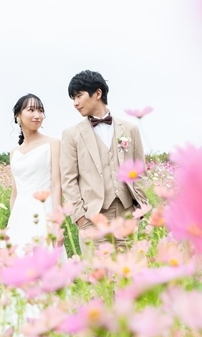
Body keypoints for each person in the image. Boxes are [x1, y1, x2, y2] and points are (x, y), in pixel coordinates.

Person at [60, 70, 148, 254]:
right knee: (96, 271)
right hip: (92, 218)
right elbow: (68, 180)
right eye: (73, 98)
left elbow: (139, 171)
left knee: (129, 269)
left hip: (127, 215)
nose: (75, 103)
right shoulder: (71, 135)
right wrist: (81, 219)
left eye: (78, 96)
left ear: (98, 93)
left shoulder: (130, 129)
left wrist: (139, 211)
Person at [5, 93, 62, 253]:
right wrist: (12, 224)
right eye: (31, 110)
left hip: (44, 213)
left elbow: (56, 185)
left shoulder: (53, 143)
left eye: (40, 111)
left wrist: (57, 225)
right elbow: (15, 193)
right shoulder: (14, 152)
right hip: (19, 217)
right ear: (18, 116)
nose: (37, 115)